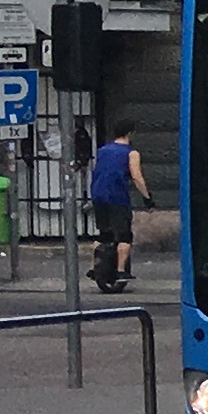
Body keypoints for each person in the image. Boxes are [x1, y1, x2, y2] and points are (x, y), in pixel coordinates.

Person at [86, 124, 141, 293]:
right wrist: (148, 197)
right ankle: (121, 271)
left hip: (98, 196)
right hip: (117, 197)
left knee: (104, 234)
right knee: (124, 237)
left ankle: (93, 267)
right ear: (130, 133)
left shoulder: (102, 151)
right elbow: (137, 177)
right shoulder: (131, 153)